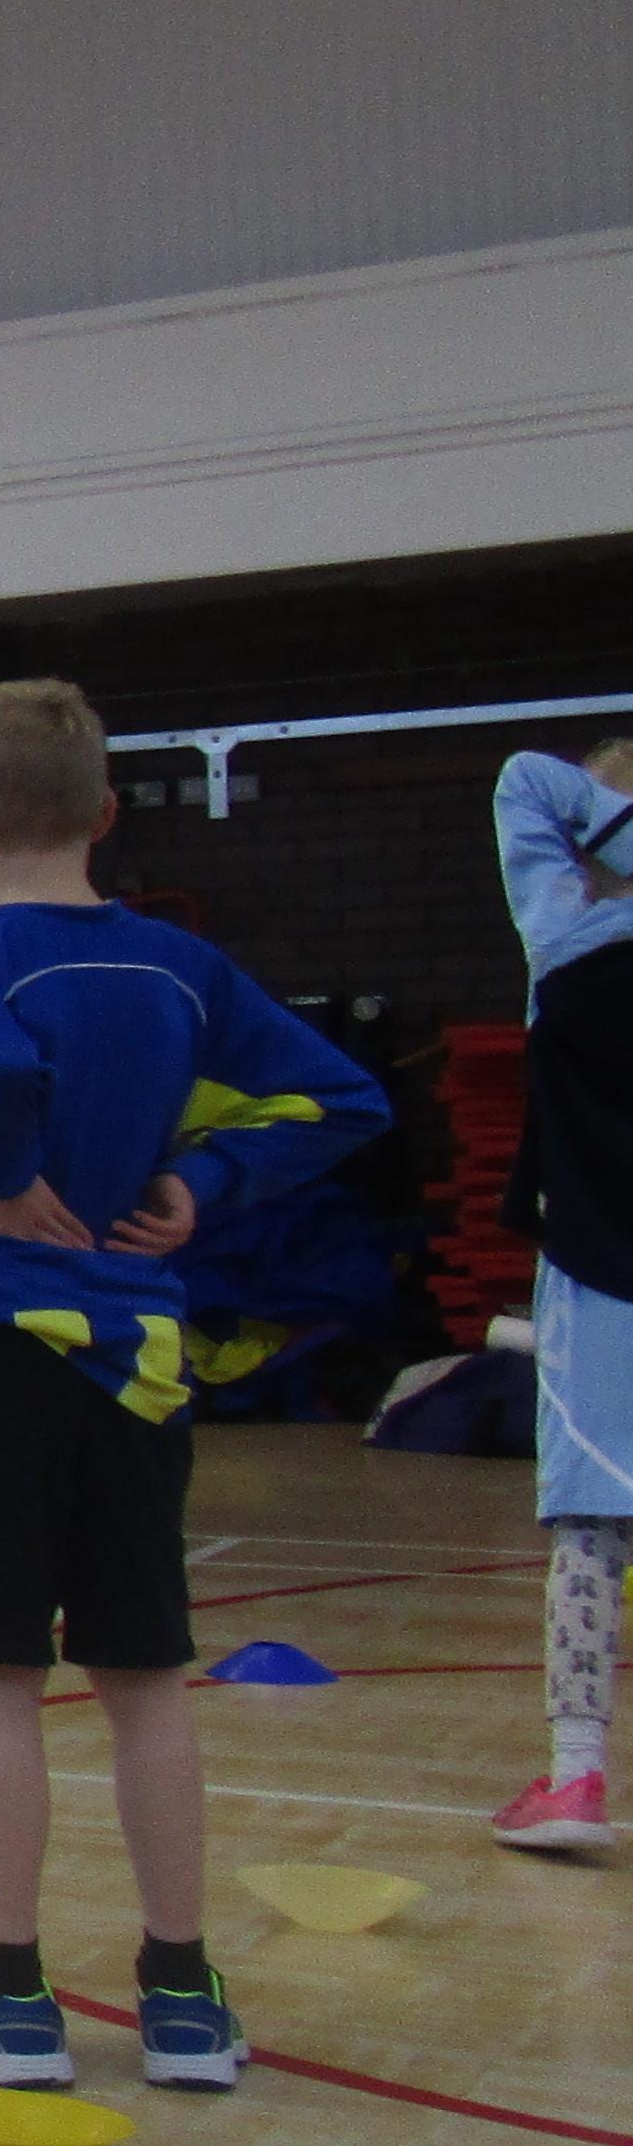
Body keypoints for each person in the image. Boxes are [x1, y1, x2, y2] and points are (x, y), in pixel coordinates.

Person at [0, 678, 383, 2095]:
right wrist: (204, 1179)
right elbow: (344, 1098)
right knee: (146, 1679)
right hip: (137, 1375)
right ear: (104, 812)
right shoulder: (184, 970)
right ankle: (180, 1992)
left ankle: (12, 1992)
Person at [494, 737, 633, 1857]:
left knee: (590, 1527)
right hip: (591, 1270)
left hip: (597, 1280)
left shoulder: (564, 943)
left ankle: (578, 1775)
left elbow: (523, 780)